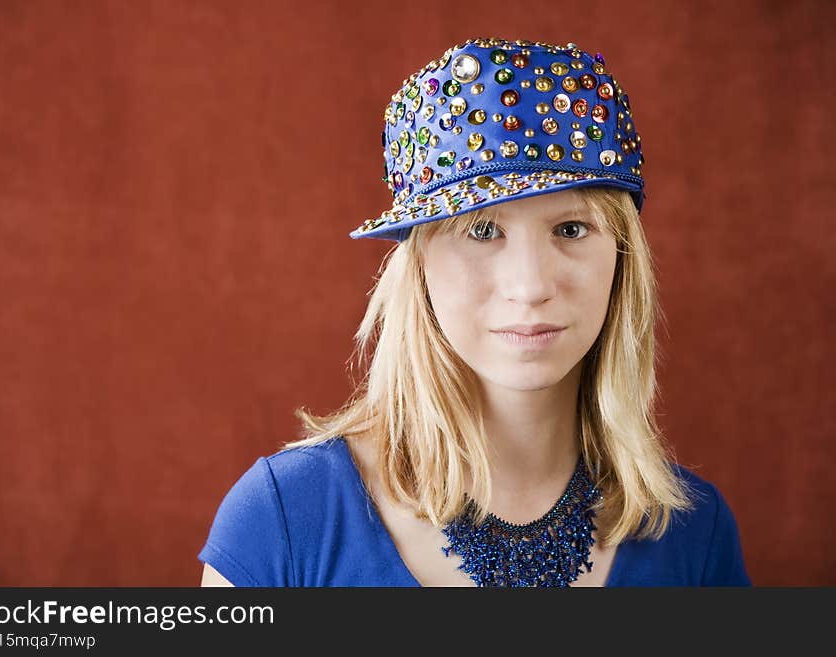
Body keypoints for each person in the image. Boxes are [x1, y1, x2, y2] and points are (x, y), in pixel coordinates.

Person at [197, 37, 752, 587]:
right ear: (418, 268)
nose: (530, 285)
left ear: (623, 261)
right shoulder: (285, 522)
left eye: (571, 228)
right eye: (482, 231)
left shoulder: (693, 535)